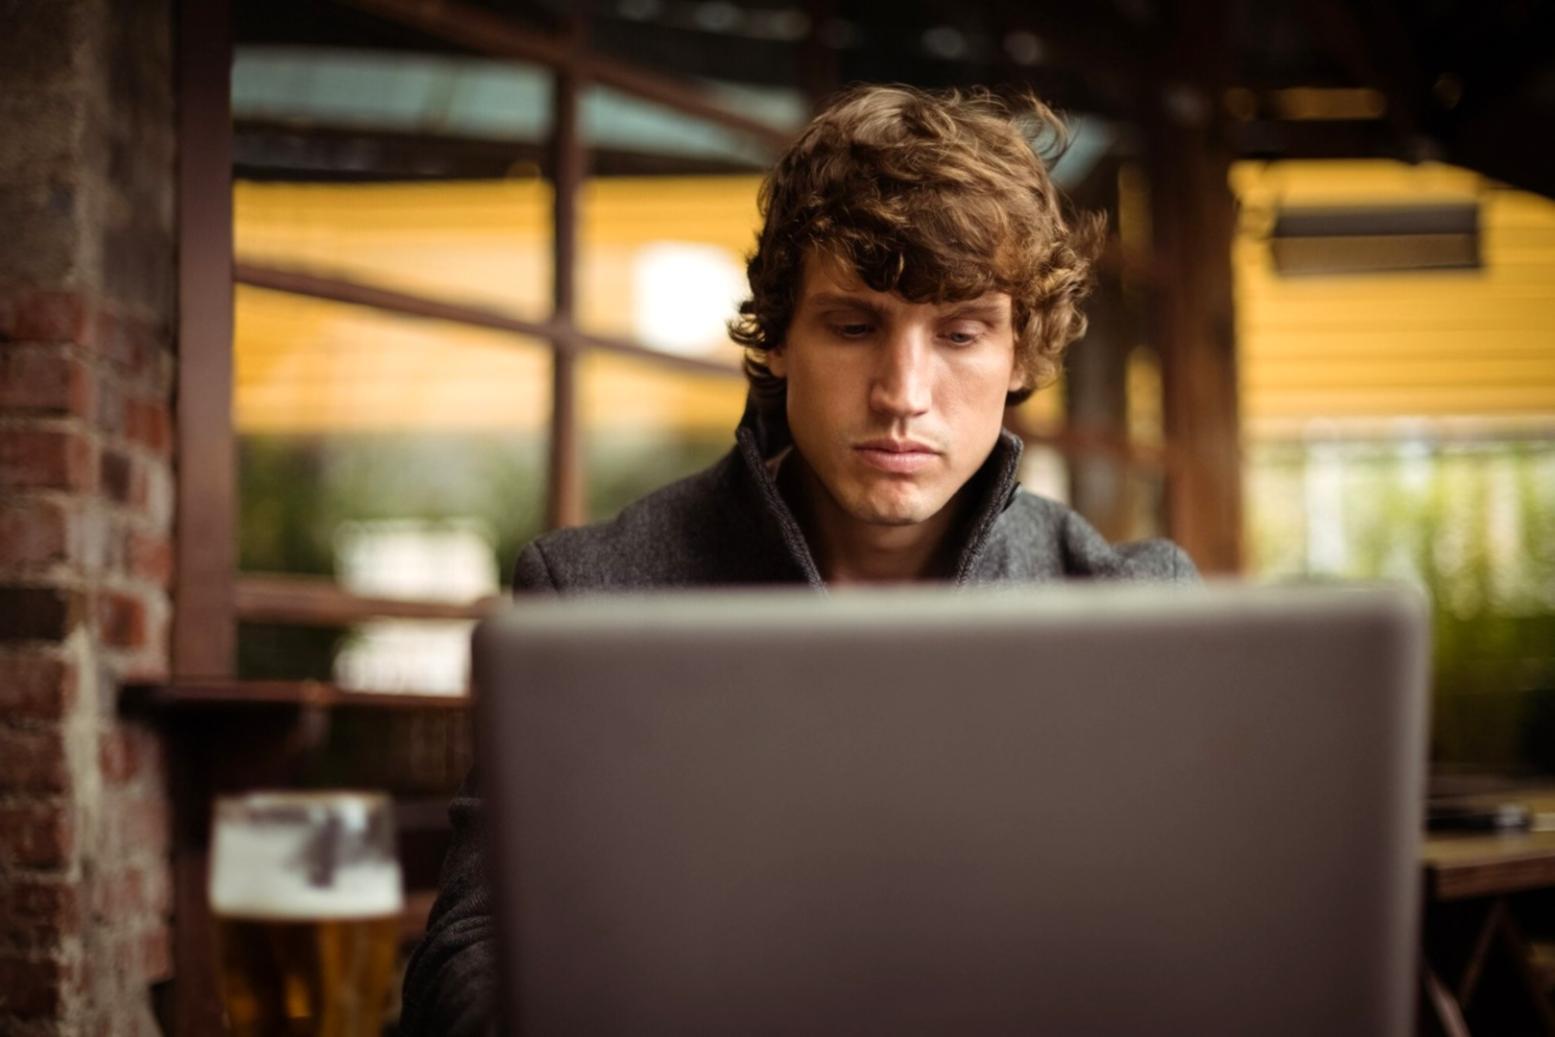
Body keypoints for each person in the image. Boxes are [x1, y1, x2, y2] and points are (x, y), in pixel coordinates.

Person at [399, 83, 1196, 1035]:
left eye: (959, 332)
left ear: (1022, 353)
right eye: (854, 327)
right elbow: (470, 953)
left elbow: (1202, 951)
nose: (903, 393)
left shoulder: (1131, 612)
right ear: (776, 338)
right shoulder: (592, 595)